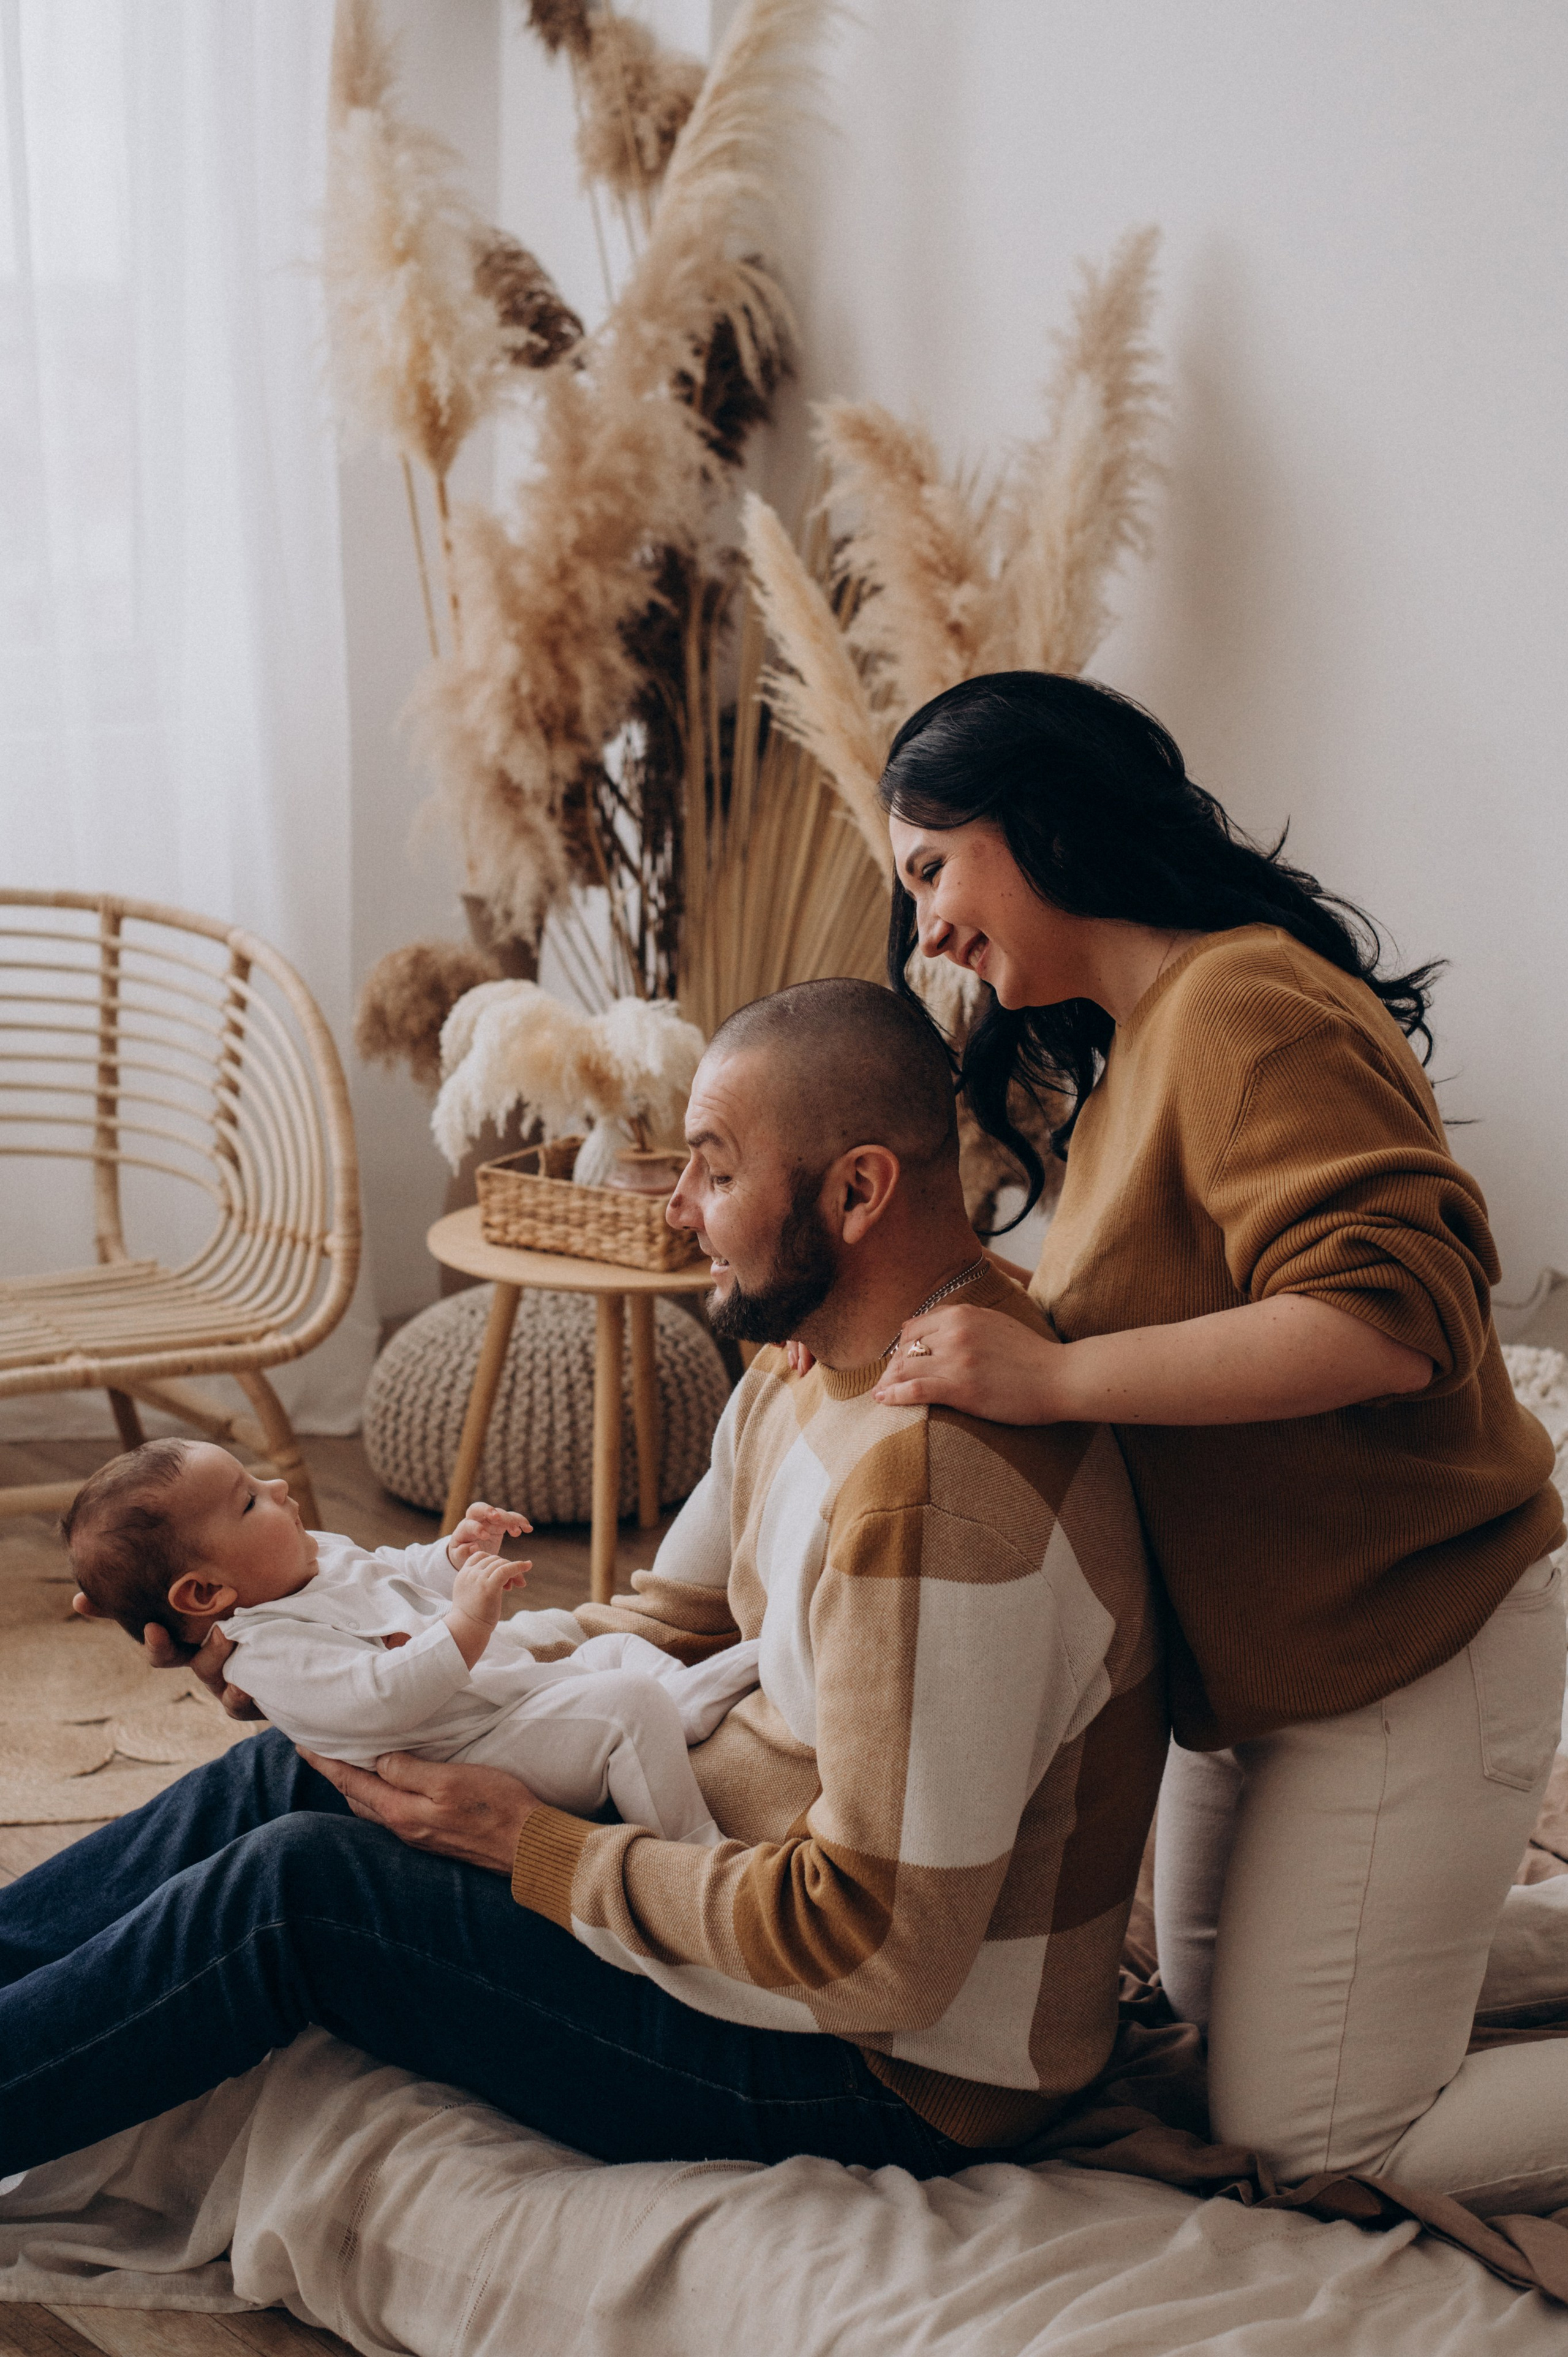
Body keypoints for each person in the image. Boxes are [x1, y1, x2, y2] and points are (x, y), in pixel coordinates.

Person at [0, 978, 1164, 2182]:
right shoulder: (810, 1363)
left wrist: (532, 1846)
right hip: (722, 1877)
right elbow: (662, 1619)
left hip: (881, 2069)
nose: (674, 1210)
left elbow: (884, 1952)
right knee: (284, 1768)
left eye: (712, 1171)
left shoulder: (934, 1503)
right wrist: (343, 1669)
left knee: (298, 1893)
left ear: (857, 1190)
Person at [866, 668, 1568, 2215]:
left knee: (1321, 2137)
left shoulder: (1244, 1000)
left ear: (1039, 817)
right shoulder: (1134, 1049)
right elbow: (1174, 1296)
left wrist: (1052, 1381)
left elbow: (1388, 1321)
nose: (925, 931)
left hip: (1407, 1641)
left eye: (930, 866)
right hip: (1270, 1666)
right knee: (1204, 2007)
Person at [65, 1442, 758, 1843]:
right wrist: (466, 1623)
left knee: (608, 1654)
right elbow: (383, 1699)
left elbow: (389, 1567)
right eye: (249, 1500)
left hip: (501, 1699)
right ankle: (693, 1851)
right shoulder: (268, 1651)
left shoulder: (306, 1558)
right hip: (471, 1753)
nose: (277, 1485)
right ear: (206, 1594)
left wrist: (452, 1556)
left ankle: (685, 1702)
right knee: (624, 1704)